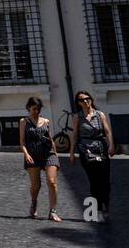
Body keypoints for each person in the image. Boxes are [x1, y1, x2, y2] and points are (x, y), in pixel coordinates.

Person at [69, 90, 114, 221]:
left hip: (101, 149)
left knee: (105, 181)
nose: (85, 101)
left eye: (87, 98)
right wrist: (71, 152)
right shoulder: (77, 117)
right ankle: (98, 210)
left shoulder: (100, 114)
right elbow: (75, 135)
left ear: (91, 99)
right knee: (94, 181)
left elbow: (107, 131)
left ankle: (105, 205)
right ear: (78, 103)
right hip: (86, 151)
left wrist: (111, 145)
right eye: (82, 100)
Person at [18, 96, 59, 222]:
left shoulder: (46, 121)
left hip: (48, 154)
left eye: (38, 109)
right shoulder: (24, 122)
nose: (36, 111)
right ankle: (34, 203)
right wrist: (27, 154)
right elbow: (22, 141)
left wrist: (56, 154)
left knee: (52, 182)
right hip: (32, 155)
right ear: (29, 108)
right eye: (34, 109)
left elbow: (50, 138)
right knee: (36, 185)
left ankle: (53, 211)